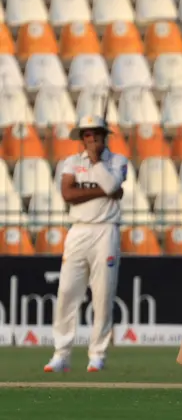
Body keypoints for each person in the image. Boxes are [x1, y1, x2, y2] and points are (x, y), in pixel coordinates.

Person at [44, 115, 128, 373]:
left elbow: (115, 184)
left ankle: (97, 354)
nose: (91, 139)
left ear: (104, 136)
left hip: (106, 231)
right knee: (67, 293)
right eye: (87, 135)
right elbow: (68, 194)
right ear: (82, 138)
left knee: (103, 294)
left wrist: (96, 164)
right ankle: (61, 354)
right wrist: (105, 191)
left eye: (96, 134)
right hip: (78, 231)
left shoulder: (118, 161)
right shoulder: (70, 162)